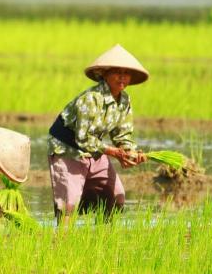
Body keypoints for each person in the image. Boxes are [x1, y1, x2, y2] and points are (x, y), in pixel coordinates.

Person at [47, 44, 149, 226]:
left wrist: (131, 153)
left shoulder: (124, 100)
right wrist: (115, 153)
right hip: (67, 149)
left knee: (116, 197)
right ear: (104, 74)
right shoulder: (91, 99)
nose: (122, 77)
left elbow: (122, 135)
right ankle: (60, 245)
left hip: (95, 150)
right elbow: (83, 138)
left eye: (126, 73)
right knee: (68, 205)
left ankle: (102, 240)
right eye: (117, 72)